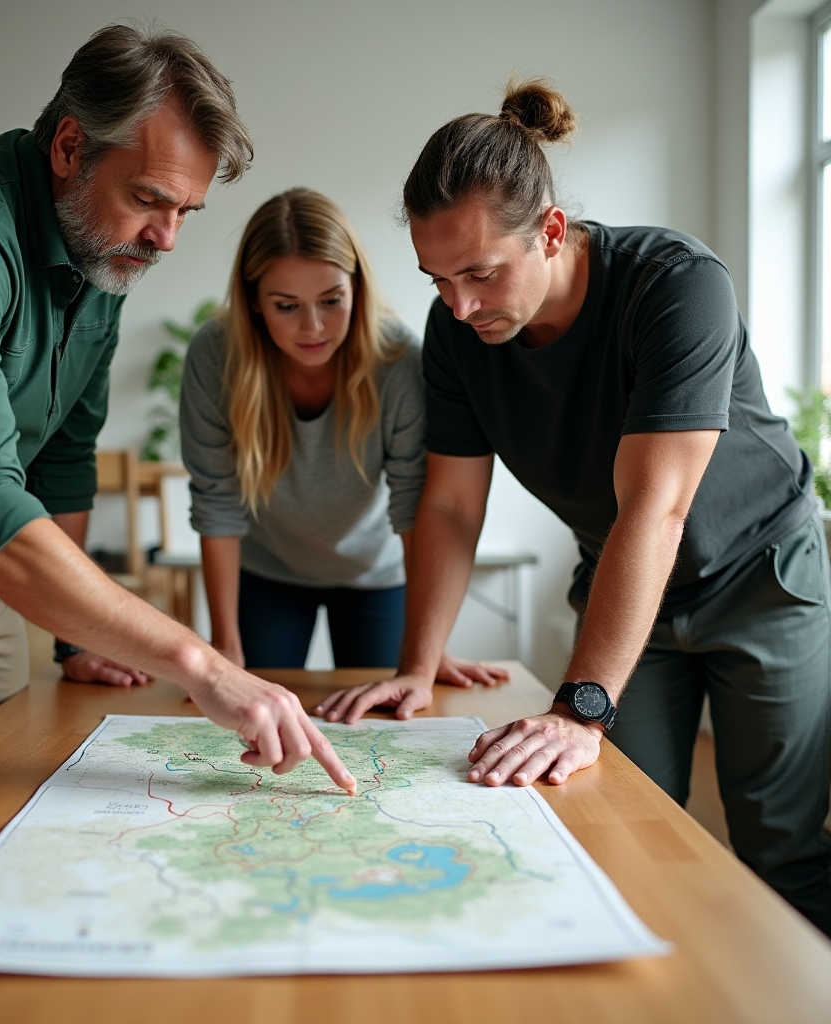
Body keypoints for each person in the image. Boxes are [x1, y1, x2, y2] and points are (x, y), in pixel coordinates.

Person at [0, 26, 354, 831]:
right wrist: (200, 662)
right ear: (70, 146)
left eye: (186, 211)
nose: (167, 237)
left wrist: (74, 639)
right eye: (149, 199)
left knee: (8, 823)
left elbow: (60, 460)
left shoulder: (103, 252)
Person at [315, 80, 831, 934]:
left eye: (481, 272)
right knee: (616, 826)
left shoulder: (677, 287)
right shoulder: (457, 334)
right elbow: (447, 509)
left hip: (760, 576)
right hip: (632, 592)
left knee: (780, 850)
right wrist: (419, 663)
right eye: (437, 279)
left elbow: (656, 510)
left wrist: (580, 706)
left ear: (551, 231)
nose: (459, 306)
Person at [181, 188, 508, 684]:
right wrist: (224, 645)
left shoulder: (398, 361)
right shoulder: (214, 356)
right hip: (267, 572)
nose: (313, 326)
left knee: (383, 714)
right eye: (286, 305)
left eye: (331, 300)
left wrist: (427, 649)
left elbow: (412, 506)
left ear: (356, 288)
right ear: (253, 302)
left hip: (376, 575)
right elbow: (216, 505)